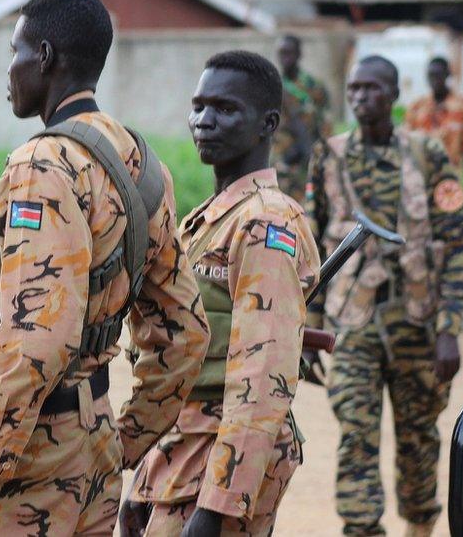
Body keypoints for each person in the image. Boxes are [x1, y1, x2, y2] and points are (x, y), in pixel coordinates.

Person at [0, 0, 210, 536]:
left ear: (47, 57)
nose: (8, 70)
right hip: (95, 442)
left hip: (26, 456)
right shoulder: (142, 163)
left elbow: (38, 341)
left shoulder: (42, 165)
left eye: (16, 51)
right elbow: (187, 331)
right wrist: (125, 438)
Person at [121, 50, 321, 537]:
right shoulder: (210, 218)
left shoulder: (265, 222)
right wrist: (145, 478)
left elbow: (262, 376)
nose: (204, 121)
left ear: (268, 123)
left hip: (225, 452)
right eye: (198, 106)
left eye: (225, 109)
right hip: (185, 443)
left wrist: (218, 506)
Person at [304, 55, 463, 537]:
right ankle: (362, 529)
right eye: (354, 88)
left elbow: (459, 242)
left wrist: (450, 330)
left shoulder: (427, 154)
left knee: (419, 438)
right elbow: (313, 245)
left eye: (372, 88)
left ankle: (419, 527)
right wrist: (308, 329)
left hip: (417, 322)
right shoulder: (330, 154)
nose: (360, 97)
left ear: (395, 95)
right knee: (356, 435)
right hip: (351, 324)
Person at [406, 56, 463, 332]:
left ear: (448, 75)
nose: (435, 80)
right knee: (420, 244)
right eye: (431, 75)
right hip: (419, 190)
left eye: (440, 75)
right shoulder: (416, 109)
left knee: (457, 245)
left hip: (450, 190)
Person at [271, 34, 333, 207]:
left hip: (308, 158)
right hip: (280, 160)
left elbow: (326, 123)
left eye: (289, 53)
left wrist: (321, 153)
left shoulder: (314, 87)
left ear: (299, 54)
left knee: (308, 210)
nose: (285, 58)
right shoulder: (272, 85)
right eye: (281, 53)